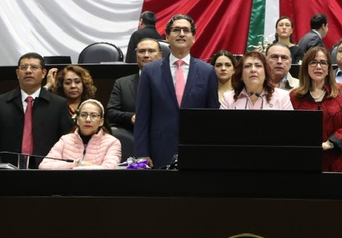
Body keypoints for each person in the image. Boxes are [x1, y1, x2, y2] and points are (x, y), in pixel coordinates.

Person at [135, 14, 219, 168]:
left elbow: (212, 117)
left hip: (196, 149)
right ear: (167, 37)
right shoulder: (150, 71)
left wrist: (211, 151)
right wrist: (142, 153)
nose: (181, 34)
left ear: (193, 37)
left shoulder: (207, 72)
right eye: (176, 30)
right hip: (159, 149)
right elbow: (142, 116)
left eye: (186, 30)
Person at [0, 52, 73, 168]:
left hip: (47, 170)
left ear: (43, 73)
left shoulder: (58, 104)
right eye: (24, 67)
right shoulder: (0, 102)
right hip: (7, 170)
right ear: (17, 73)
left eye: (34, 67)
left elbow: (67, 140)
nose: (28, 71)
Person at [290, 47, 342, 172]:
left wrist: (330, 144)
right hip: (306, 161)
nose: (318, 67)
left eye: (323, 63)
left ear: (328, 68)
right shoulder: (294, 96)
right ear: (306, 67)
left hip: (338, 161)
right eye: (313, 62)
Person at [39, 99, 122, 169]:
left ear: (101, 121)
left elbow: (109, 169)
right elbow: (44, 165)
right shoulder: (65, 140)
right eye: (83, 115)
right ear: (77, 120)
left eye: (93, 116)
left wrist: (82, 167)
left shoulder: (112, 142)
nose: (88, 119)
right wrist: (76, 164)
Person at [106, 38, 162, 131]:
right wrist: (131, 117)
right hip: (133, 134)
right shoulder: (122, 83)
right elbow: (110, 113)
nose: (146, 55)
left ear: (160, 55)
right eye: (142, 51)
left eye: (151, 51)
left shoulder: (171, 81)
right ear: (136, 56)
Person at [221, 51, 293, 110]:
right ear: (241, 74)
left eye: (258, 66)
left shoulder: (282, 97)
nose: (253, 70)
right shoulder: (228, 98)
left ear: (265, 73)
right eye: (247, 66)